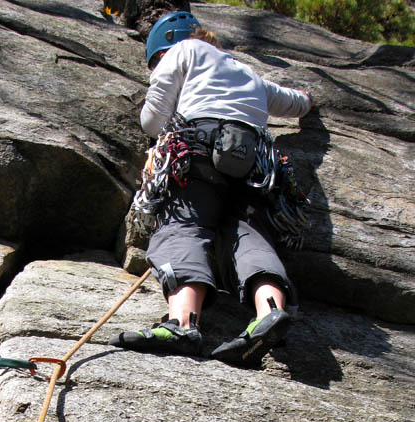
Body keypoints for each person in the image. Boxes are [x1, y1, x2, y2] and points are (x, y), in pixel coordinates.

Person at [109, 11, 314, 366]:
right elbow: (293, 102)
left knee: (182, 226)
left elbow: (152, 121)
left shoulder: (183, 50)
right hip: (255, 164)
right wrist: (310, 100)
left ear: (163, 48)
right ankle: (270, 312)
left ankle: (182, 324)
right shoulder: (249, 74)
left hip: (198, 150)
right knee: (247, 234)